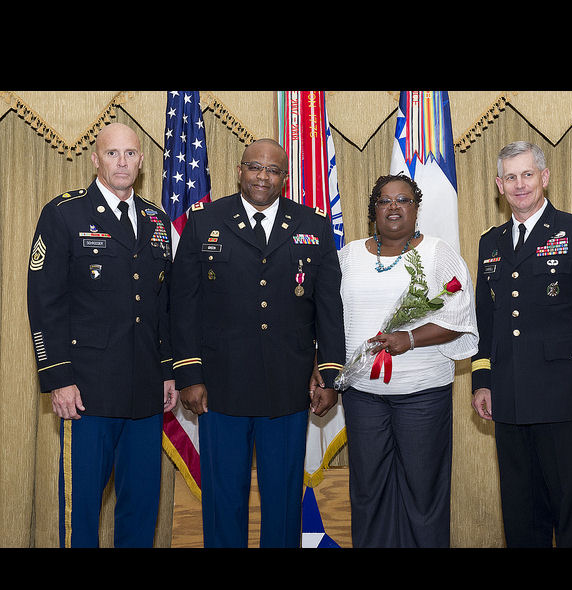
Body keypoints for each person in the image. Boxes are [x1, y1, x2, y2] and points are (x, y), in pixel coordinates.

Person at [170, 138, 345, 548]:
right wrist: (189, 375)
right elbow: (183, 304)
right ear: (239, 170)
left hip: (287, 387)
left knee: (283, 500)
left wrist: (330, 374)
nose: (262, 177)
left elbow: (328, 307)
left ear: (285, 177)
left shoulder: (313, 224)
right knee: (223, 497)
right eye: (254, 167)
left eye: (272, 170)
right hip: (220, 387)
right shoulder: (205, 220)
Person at [27, 122, 177, 548]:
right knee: (82, 507)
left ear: (142, 160)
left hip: (145, 390)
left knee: (141, 507)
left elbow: (164, 305)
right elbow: (44, 301)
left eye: (130, 154)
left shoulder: (157, 220)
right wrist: (58, 377)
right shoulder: (65, 213)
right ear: (95, 159)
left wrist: (168, 371)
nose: (122, 162)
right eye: (112, 153)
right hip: (86, 391)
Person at [471, 141, 572, 548]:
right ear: (499, 185)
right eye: (511, 177)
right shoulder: (491, 242)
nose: (520, 185)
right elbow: (486, 317)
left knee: (570, 508)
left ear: (545, 177)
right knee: (520, 509)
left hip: (565, 394)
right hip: (509, 396)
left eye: (528, 174)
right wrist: (483, 381)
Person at [336, 174, 478, 547]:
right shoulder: (348, 255)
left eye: (403, 200)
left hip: (422, 395)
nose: (394, 207)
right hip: (363, 396)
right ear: (373, 211)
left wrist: (410, 338)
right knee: (368, 490)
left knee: (422, 490)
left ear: (416, 209)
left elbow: (459, 317)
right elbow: (330, 316)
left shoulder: (438, 252)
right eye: (384, 201)